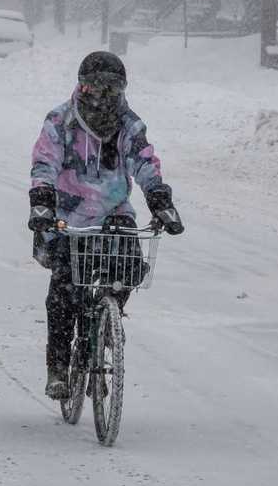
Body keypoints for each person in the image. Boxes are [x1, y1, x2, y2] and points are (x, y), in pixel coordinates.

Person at [27, 51, 184, 399]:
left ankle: (106, 321)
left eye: (113, 88)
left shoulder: (129, 125)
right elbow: (44, 162)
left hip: (114, 213)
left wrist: (160, 200)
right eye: (96, 87)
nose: (104, 95)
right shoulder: (60, 121)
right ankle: (58, 366)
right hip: (68, 216)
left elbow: (144, 162)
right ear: (82, 86)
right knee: (63, 293)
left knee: (130, 267)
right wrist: (41, 201)